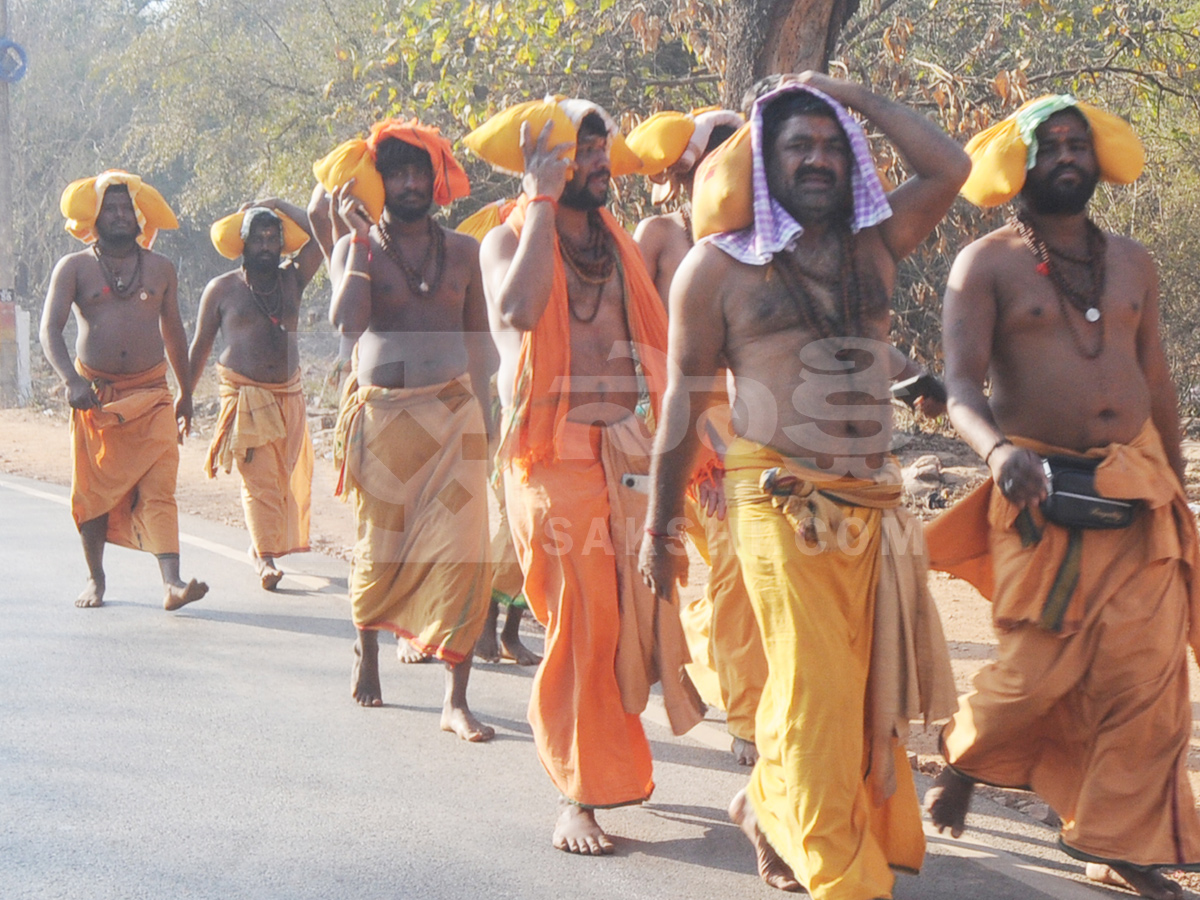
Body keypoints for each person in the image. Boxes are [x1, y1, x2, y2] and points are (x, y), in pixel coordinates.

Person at [639, 73, 965, 898]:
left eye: (831, 145)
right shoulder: (713, 270)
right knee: (817, 689)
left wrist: (854, 97)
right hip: (778, 498)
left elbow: (951, 167)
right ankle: (841, 876)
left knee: (849, 691)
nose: (817, 159)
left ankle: (764, 805)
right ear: (763, 162)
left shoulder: (875, 244)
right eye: (798, 146)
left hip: (875, 501)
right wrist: (657, 526)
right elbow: (680, 398)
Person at [923, 96, 1200, 900]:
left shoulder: (1136, 262)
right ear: (1021, 166)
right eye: (1052, 147)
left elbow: (1157, 382)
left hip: (1140, 485)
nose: (1068, 158)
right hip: (1038, 486)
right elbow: (962, 387)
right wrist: (999, 451)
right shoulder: (985, 264)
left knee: (1146, 681)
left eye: (1080, 145)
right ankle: (964, 754)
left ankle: (1122, 845)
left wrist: (1177, 490)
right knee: (1031, 675)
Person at [476, 97, 704, 855]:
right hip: (550, 457)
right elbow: (517, 308)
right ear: (544, 164)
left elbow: (660, 343)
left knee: (633, 619)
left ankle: (606, 764)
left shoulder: (617, 243)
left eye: (603, 150)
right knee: (583, 623)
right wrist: (540, 199)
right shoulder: (506, 239)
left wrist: (689, 445)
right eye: (583, 152)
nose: (602, 164)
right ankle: (577, 794)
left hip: (627, 450)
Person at [324, 118, 495, 742]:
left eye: (418, 171)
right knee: (380, 551)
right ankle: (367, 650)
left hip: (457, 419)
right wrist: (360, 244)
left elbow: (483, 347)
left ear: (436, 177)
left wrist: (491, 421)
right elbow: (347, 324)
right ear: (379, 182)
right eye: (395, 172)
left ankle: (455, 700)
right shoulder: (358, 249)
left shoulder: (466, 252)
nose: (409, 183)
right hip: (384, 423)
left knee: (463, 554)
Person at [630, 107, 766, 765]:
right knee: (720, 575)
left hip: (754, 435)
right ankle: (741, 709)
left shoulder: (758, 240)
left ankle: (744, 700)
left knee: (751, 574)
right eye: (718, 148)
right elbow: (632, 332)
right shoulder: (662, 234)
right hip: (688, 436)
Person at [41, 171, 208, 611]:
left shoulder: (160, 269)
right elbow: (49, 330)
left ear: (139, 217)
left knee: (160, 486)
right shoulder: (73, 267)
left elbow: (175, 334)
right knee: (92, 494)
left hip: (153, 394)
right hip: (96, 397)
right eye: (109, 208)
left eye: (125, 209)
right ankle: (96, 579)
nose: (118, 215)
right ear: (94, 217)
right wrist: (71, 381)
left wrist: (186, 392)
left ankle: (172, 582)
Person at [188, 200, 323, 590]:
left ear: (281, 244)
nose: (266, 244)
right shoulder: (222, 289)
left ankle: (259, 546)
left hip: (289, 393)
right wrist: (185, 397)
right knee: (259, 480)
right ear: (242, 243)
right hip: (244, 395)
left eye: (272, 237)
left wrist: (277, 206)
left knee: (279, 480)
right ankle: (265, 559)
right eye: (258, 237)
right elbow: (199, 347)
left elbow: (319, 232)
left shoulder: (293, 279)